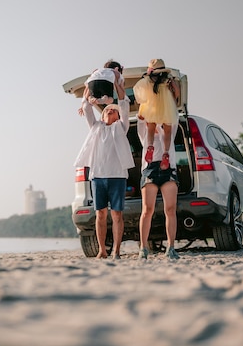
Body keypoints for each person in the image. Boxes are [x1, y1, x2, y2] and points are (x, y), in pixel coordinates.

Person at [74, 73, 134, 259]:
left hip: (117, 176)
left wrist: (117, 85)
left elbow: (124, 105)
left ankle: (116, 250)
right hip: (98, 177)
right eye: (107, 109)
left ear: (117, 116)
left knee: (116, 215)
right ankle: (102, 250)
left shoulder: (121, 127)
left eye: (112, 110)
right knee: (100, 215)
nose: (109, 110)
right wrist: (88, 85)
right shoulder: (96, 127)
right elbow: (86, 106)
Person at [136, 115, 180, 260]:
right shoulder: (144, 130)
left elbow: (173, 114)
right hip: (150, 168)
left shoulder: (168, 128)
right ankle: (143, 248)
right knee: (147, 209)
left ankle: (171, 247)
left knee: (170, 209)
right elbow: (142, 118)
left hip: (168, 168)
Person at [132, 59, 180, 170]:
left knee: (151, 128)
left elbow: (139, 94)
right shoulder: (167, 80)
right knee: (168, 132)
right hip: (166, 107)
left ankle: (150, 146)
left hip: (151, 107)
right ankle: (166, 152)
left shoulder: (147, 81)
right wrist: (172, 83)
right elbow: (176, 93)